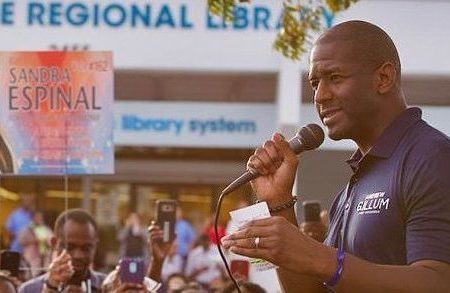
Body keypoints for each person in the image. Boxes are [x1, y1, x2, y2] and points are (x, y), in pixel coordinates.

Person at [222, 20, 450, 292]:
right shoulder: (354, 186)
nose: (320, 96)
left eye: (335, 78)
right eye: (314, 83)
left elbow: (438, 282)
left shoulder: (432, 157)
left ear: (384, 78)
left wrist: (319, 257)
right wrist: (279, 203)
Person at [18, 209, 105, 292]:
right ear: (54, 243)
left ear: (95, 246)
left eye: (86, 248)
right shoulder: (29, 290)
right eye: (70, 247)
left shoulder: (109, 288)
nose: (78, 255)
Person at [18, 211, 53, 277]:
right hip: (31, 257)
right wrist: (34, 241)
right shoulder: (27, 229)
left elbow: (52, 241)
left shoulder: (46, 229)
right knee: (31, 274)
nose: (39, 218)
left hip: (45, 257)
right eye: (37, 217)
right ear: (33, 218)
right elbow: (21, 240)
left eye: (40, 217)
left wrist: (46, 241)